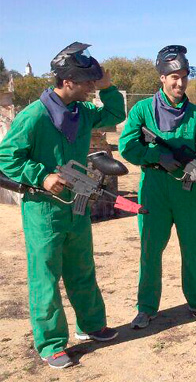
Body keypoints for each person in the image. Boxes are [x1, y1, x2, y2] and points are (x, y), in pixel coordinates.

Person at [0, 42, 124, 368]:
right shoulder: (34, 116)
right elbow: (6, 156)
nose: (92, 88)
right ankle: (51, 343)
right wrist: (40, 176)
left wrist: (107, 85)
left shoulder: (81, 113)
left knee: (82, 269)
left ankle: (91, 325)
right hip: (44, 209)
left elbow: (115, 113)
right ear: (67, 81)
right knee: (46, 276)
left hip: (76, 203)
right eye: (87, 82)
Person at [119, 45, 196, 328]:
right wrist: (156, 156)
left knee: (194, 246)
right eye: (173, 76)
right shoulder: (143, 110)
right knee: (150, 248)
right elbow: (127, 147)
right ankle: (147, 306)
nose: (179, 82)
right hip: (154, 186)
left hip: (188, 189)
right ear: (162, 78)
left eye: (184, 76)